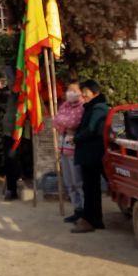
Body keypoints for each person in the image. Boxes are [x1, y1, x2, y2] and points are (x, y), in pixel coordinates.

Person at [71, 79, 109, 233]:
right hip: (89, 152)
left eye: (85, 91)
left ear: (95, 92)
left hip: (93, 153)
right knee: (90, 187)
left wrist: (76, 137)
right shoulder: (92, 107)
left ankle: (90, 219)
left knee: (91, 188)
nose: (83, 94)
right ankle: (93, 219)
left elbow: (92, 129)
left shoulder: (98, 108)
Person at [53, 82, 85, 222]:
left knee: (78, 182)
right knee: (69, 182)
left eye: (74, 90)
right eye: (69, 90)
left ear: (80, 91)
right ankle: (77, 209)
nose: (70, 92)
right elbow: (55, 121)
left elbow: (74, 123)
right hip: (63, 148)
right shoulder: (65, 105)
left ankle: (85, 211)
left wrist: (64, 122)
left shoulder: (82, 106)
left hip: (75, 150)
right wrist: (65, 123)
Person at [0, 65, 21, 201]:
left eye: (6, 77)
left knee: (13, 159)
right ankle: (12, 188)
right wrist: (0, 88)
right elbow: (0, 99)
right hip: (8, 130)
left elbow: (14, 90)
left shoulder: (18, 92)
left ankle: (13, 189)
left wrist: (9, 80)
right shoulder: (10, 93)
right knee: (9, 160)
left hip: (17, 130)